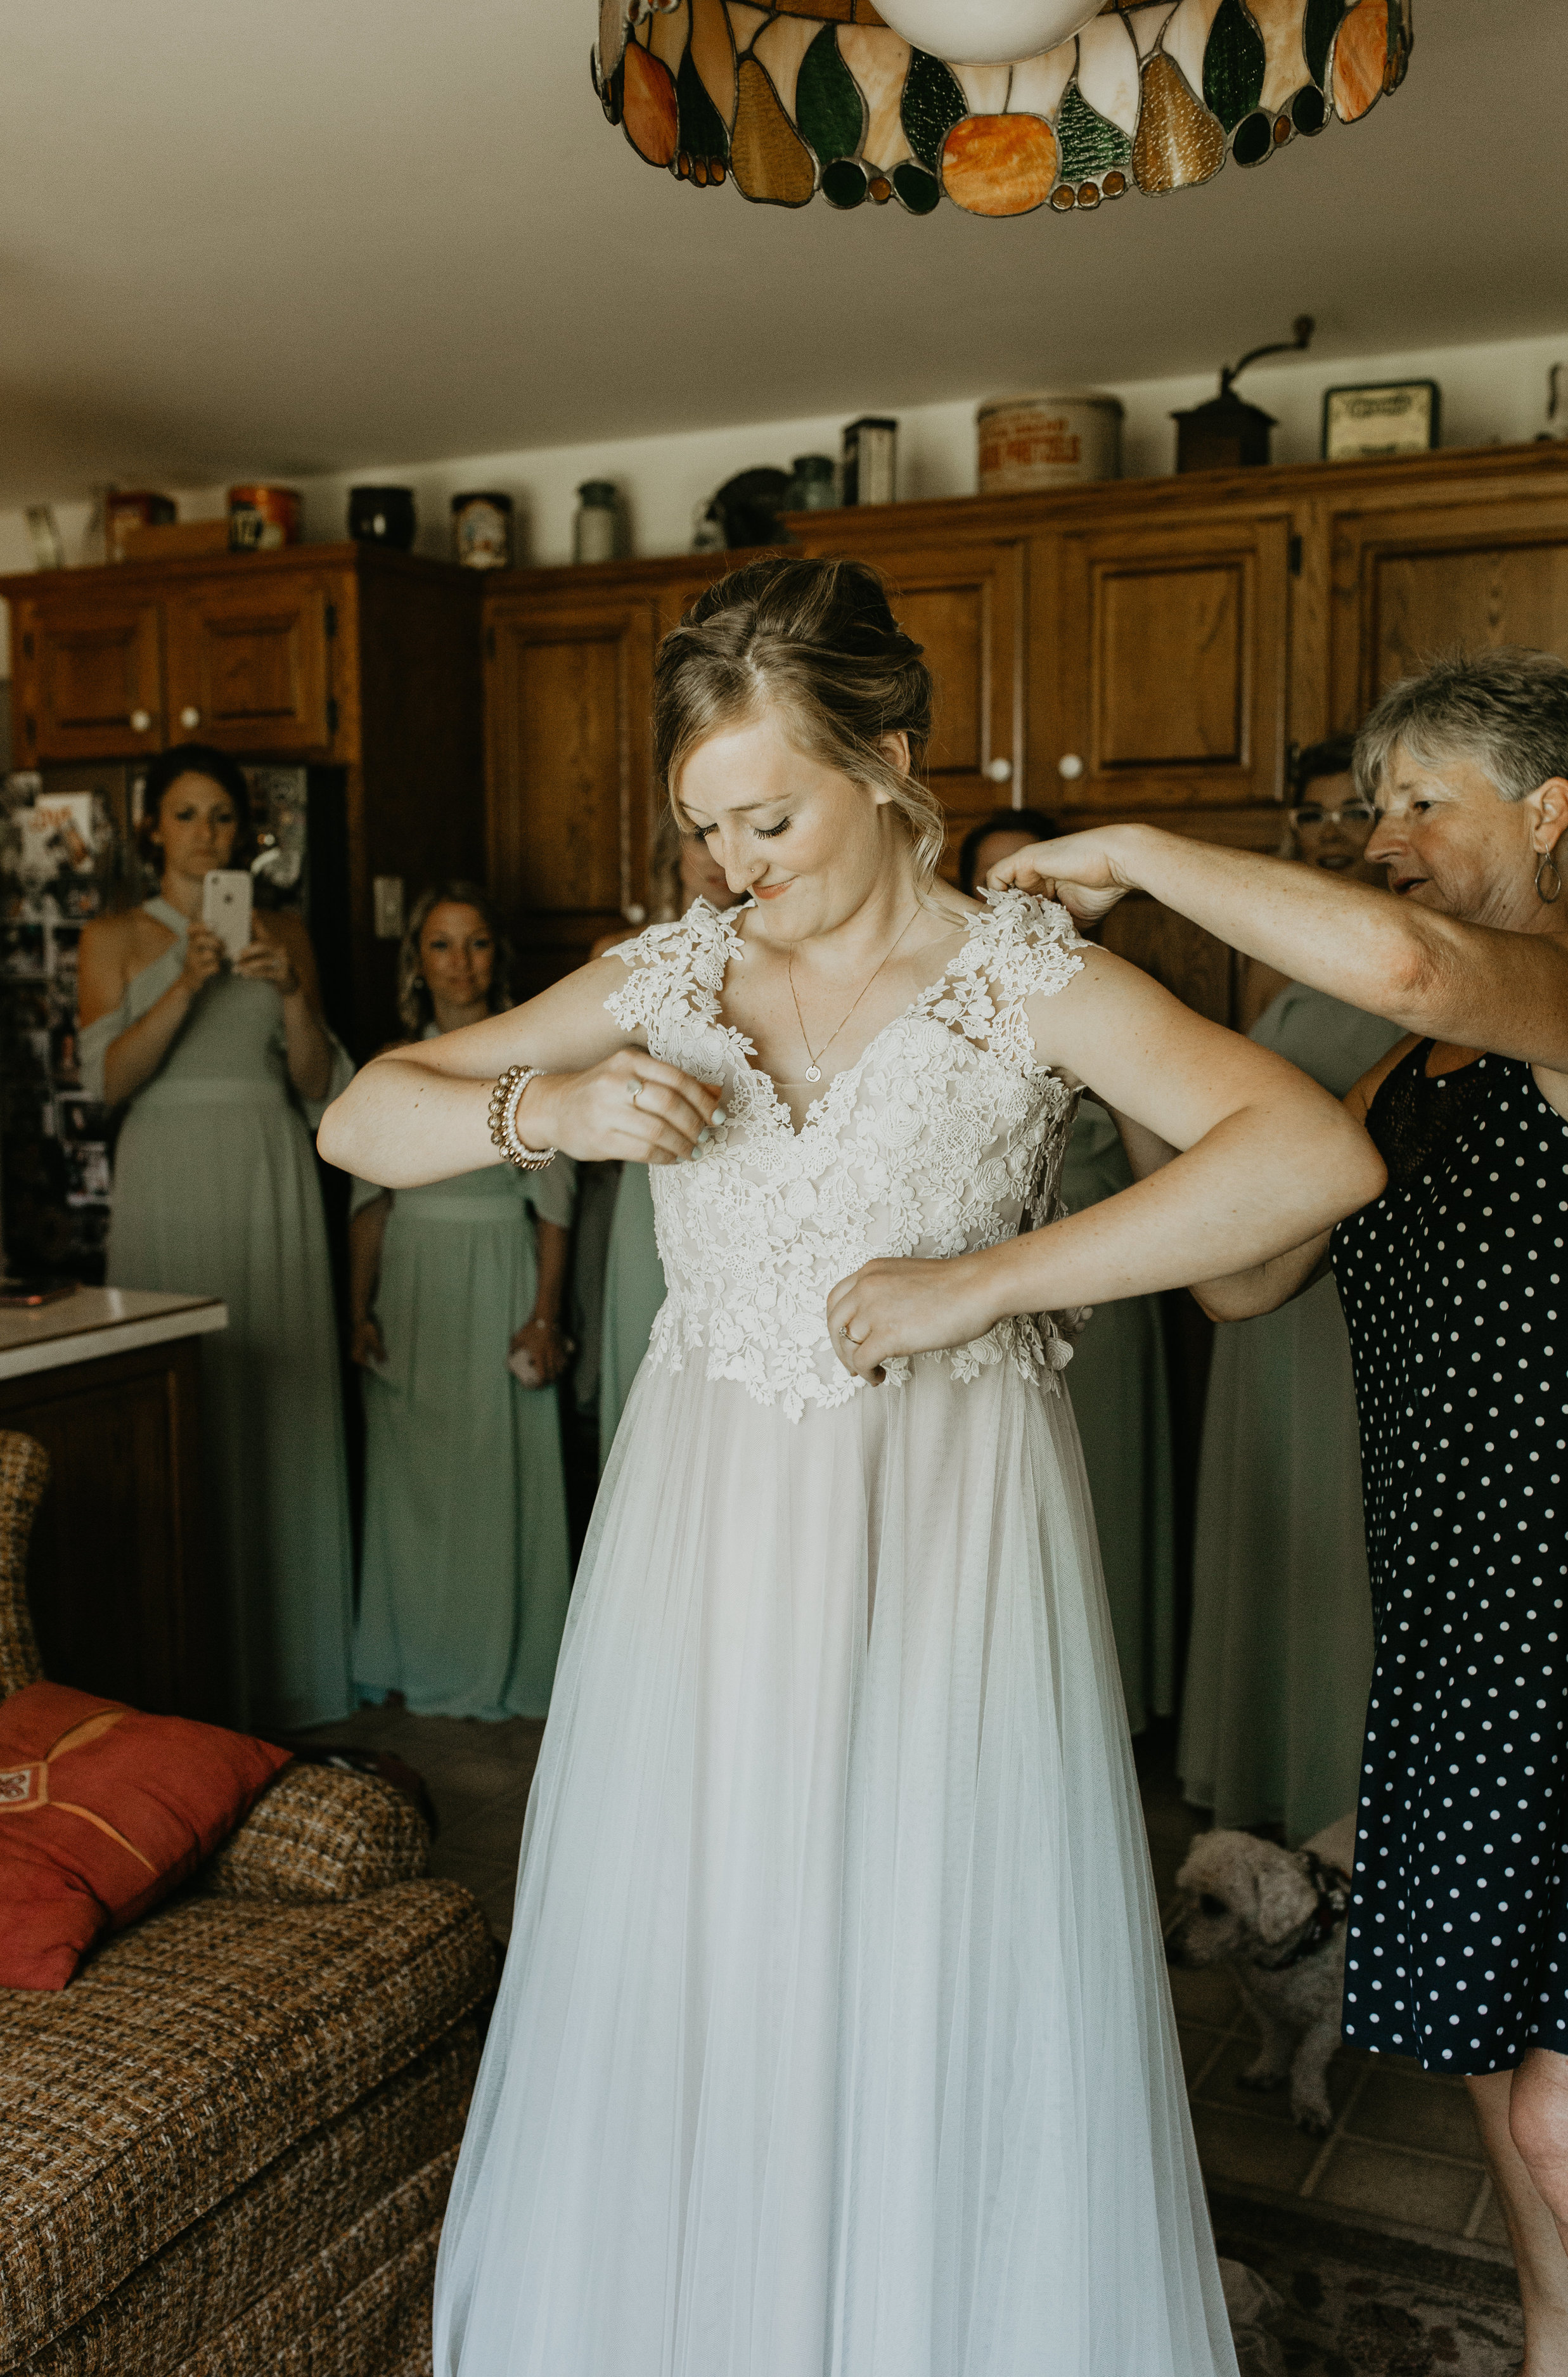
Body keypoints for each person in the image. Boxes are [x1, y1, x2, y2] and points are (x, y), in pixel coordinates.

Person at [319, 557, 1381, 2377]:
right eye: (702, 823)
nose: (733, 862)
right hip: (707, 1530)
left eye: (767, 813)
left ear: (888, 756)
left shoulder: (1021, 977)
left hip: (951, 1531)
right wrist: (540, 1108)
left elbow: (1303, 1159)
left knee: (928, 1941)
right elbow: (359, 1110)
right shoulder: (669, 972)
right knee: (708, 1933)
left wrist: (987, 1278)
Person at [988, 648, 1568, 2374]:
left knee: (1559, 2112)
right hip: (1464, 1635)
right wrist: (1095, 1037)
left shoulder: (1557, 997)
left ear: (1547, 814)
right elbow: (1246, 1273)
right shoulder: (1408, 1075)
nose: (1380, 833)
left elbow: (1407, 952)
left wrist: (1137, 850)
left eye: (1421, 802)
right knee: (1492, 2068)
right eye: (1373, 801)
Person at [77, 742, 352, 1730]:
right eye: (187, 816)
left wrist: (290, 994)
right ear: (154, 825)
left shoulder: (285, 928)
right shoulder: (111, 937)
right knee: (186, 1400)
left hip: (266, 1166)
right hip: (166, 1175)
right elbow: (104, 1086)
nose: (206, 835)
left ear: (246, 833)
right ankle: (185, 1674)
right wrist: (182, 983)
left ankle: (294, 1668)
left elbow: (321, 1085)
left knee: (281, 1405)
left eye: (223, 818)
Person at [1178, 739, 1403, 1840]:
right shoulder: (1280, 957)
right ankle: (1270, 1772)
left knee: (1346, 1522)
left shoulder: (1412, 946)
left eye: (1349, 812)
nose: (1328, 833)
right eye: (1310, 817)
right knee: (1274, 1523)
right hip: (1266, 1274)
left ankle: (1350, 1803)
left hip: (1357, 1272)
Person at [961, 808, 1176, 1732]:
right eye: (995, 885)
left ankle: (1095, 1717)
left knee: (1100, 1509)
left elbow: (1163, 1176)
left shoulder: (1119, 999)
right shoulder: (952, 1000)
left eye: (1035, 884)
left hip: (1108, 1287)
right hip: (975, 1303)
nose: (1019, 905)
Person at [349, 886, 576, 1720]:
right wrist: (358, 1308)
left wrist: (545, 1314)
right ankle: (414, 1653)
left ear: (497, 956)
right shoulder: (394, 1061)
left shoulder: (534, 1059)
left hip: (499, 1270)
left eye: (476, 943)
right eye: (441, 944)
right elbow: (368, 1203)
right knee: (412, 1481)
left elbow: (555, 1206)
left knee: (495, 1474)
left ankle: (505, 1664)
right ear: (418, 961)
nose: (460, 961)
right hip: (414, 1282)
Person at [597, 818, 736, 1466]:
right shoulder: (622, 955)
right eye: (698, 834)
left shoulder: (787, 955)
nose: (717, 854)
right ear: (668, 849)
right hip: (653, 1178)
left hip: (753, 1179)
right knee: (644, 1355)